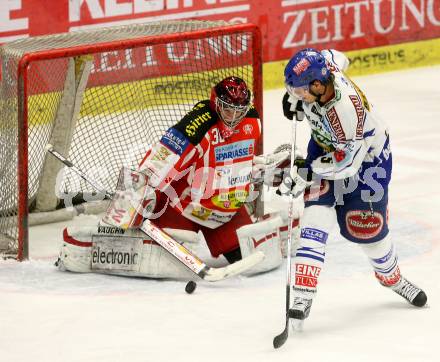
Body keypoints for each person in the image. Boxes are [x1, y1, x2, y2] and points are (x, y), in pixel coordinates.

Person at [57, 76, 294, 279]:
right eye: (227, 108)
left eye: (239, 110)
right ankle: (99, 244)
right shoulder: (197, 125)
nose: (233, 115)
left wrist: (258, 170)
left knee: (249, 258)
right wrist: (135, 195)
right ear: (215, 102)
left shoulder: (252, 122)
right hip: (183, 207)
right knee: (164, 263)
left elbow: (235, 163)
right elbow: (161, 160)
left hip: (222, 211)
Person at [277, 48, 427, 326]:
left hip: (367, 162)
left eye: (300, 92)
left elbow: (346, 165)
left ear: (318, 85)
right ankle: (302, 294)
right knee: (314, 220)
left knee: (367, 229)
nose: (298, 96)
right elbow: (336, 55)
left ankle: (391, 278)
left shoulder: (346, 112)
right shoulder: (325, 69)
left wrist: (306, 172)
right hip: (328, 148)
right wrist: (294, 98)